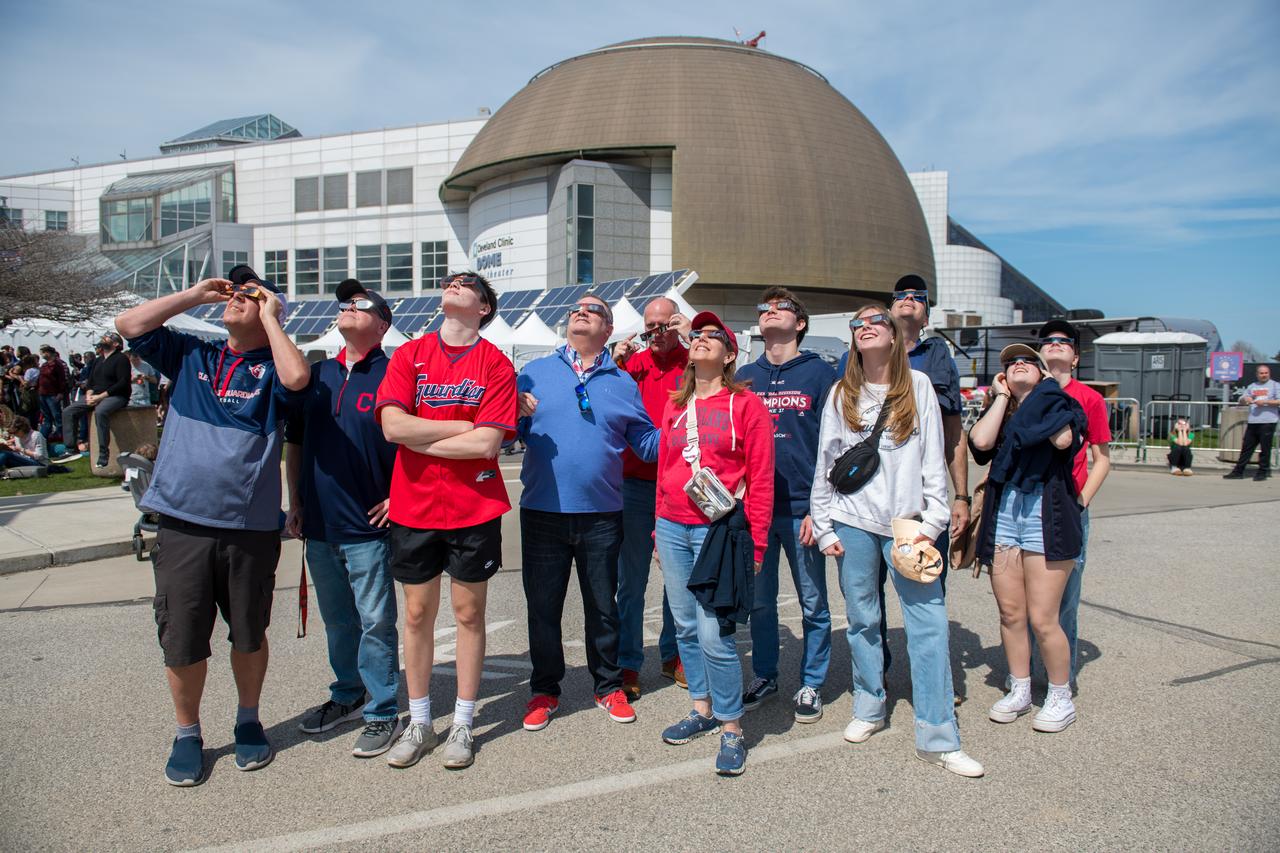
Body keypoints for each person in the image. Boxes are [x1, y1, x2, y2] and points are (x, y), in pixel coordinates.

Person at [114, 264, 309, 786]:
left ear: (273, 312)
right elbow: (128, 325)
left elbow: (297, 380)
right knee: (182, 639)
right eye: (236, 291)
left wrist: (271, 317)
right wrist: (194, 295)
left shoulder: (276, 366)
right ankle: (187, 732)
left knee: (248, 633)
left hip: (248, 529)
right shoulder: (194, 353)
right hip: (182, 522)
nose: (238, 297)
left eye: (253, 295)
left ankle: (248, 719)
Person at [811, 305, 982, 777]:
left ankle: (938, 734)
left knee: (927, 624)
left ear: (894, 336)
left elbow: (934, 458)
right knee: (863, 618)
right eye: (857, 324)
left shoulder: (918, 388)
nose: (865, 327)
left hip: (910, 525)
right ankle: (869, 707)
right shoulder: (841, 392)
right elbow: (825, 462)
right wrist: (823, 525)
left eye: (876, 321)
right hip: (852, 522)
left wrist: (935, 518)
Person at [374, 270, 516, 771]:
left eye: (467, 284)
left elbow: (487, 444)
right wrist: (460, 425)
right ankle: (418, 720)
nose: (453, 285)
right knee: (416, 615)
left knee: (469, 615)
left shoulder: (496, 364)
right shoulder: (410, 355)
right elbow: (392, 426)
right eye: (450, 281)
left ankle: (462, 721)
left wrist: (425, 436)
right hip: (413, 505)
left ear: (483, 308)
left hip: (473, 507)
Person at [515, 295, 660, 732]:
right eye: (576, 308)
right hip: (542, 511)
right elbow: (503, 434)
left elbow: (648, 444)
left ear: (608, 328)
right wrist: (513, 414)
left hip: (602, 514)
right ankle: (545, 690)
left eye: (593, 310)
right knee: (543, 607)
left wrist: (689, 422)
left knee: (603, 606)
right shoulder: (534, 373)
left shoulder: (622, 382)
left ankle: (607, 686)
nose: (581, 311)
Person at [285, 279, 402, 758]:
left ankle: (383, 709)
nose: (348, 308)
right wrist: (295, 501)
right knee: (337, 620)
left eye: (360, 304)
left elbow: (410, 442)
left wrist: (400, 497)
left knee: (376, 621)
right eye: (345, 304)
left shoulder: (395, 374)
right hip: (319, 523)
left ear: (382, 324)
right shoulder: (315, 374)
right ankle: (348, 692)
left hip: (368, 526)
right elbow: (294, 441)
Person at [654, 311, 773, 776]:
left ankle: (731, 728)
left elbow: (761, 480)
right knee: (684, 625)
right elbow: (665, 471)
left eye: (713, 336)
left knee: (714, 632)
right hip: (672, 525)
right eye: (697, 335)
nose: (702, 339)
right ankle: (701, 709)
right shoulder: (674, 404)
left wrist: (757, 548)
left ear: (729, 355)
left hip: (718, 532)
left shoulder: (746, 406)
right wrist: (655, 531)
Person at [839, 276, 969, 679]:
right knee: (866, 596)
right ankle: (878, 674)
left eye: (918, 298)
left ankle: (935, 679)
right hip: (865, 503)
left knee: (925, 590)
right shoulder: (860, 355)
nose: (908, 300)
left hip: (915, 505)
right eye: (900, 297)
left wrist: (959, 496)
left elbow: (951, 434)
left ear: (927, 313)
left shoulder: (936, 358)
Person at [969, 343, 1085, 734]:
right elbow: (981, 444)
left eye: (1027, 361)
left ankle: (1058, 694)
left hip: (1045, 515)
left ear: (1043, 372)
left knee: (1043, 618)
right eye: (1010, 363)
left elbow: (1063, 441)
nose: (1018, 364)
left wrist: (1046, 390)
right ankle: (1019, 688)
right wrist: (1003, 396)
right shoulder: (1002, 411)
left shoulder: (1058, 404)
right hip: (1005, 516)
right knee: (1010, 613)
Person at [737, 287, 836, 721]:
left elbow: (836, 446)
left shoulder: (821, 374)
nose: (769, 312)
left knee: (812, 601)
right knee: (759, 602)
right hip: (754, 510)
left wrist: (821, 509)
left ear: (799, 323)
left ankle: (812, 682)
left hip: (802, 509)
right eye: (764, 308)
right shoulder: (744, 375)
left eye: (781, 307)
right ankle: (765, 673)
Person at [610, 297, 690, 698]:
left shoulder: (694, 360)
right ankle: (628, 661)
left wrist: (690, 338)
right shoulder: (633, 364)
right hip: (636, 483)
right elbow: (604, 393)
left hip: (680, 483)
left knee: (678, 577)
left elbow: (726, 381)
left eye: (664, 325)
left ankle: (674, 653)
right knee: (632, 578)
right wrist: (617, 360)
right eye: (650, 328)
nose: (656, 334)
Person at [1037, 319, 1111, 690]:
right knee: (1026, 597)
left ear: (1076, 358)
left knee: (1065, 598)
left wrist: (1081, 501)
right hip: (1029, 505)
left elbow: (1103, 458)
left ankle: (1059, 679)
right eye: (1048, 340)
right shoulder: (1025, 390)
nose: (1054, 344)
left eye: (1063, 341)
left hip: (1069, 507)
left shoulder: (1090, 398)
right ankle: (1024, 670)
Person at [59, 332, 130, 468]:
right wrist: (90, 395)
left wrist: (100, 397)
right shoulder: (98, 360)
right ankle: (70, 448)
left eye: (107, 337)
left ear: (116, 344)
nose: (104, 339)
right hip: (95, 395)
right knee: (68, 411)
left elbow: (122, 382)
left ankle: (103, 453)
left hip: (115, 396)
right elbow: (91, 381)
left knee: (100, 412)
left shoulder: (121, 359)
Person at [1224, 364, 1279, 481]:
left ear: (1269, 373)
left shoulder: (1275, 385)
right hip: (1253, 421)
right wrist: (1245, 399)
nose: (1264, 375)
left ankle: (1262, 472)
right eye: (1261, 373)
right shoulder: (1252, 386)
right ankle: (1238, 472)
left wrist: (1265, 402)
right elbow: (1241, 399)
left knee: (1265, 448)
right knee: (1246, 447)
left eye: (1266, 373)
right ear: (1257, 374)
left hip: (1268, 421)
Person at [36, 346, 69, 441]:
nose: (41, 355)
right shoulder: (44, 365)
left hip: (52, 394)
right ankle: (44, 436)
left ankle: (61, 435)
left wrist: (61, 392)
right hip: (42, 393)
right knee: (46, 416)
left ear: (48, 353)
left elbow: (62, 380)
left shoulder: (57, 364)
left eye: (43, 353)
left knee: (57, 416)